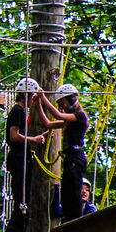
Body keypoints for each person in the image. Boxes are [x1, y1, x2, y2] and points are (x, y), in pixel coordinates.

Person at [4, 77, 59, 232]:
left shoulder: (20, 111)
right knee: (22, 200)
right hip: (19, 159)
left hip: (20, 158)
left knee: (23, 198)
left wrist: (36, 137)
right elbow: (14, 136)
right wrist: (33, 140)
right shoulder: (18, 111)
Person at [37, 83, 89, 222]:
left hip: (76, 158)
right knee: (65, 194)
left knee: (74, 192)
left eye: (62, 103)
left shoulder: (79, 116)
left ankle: (76, 220)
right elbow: (48, 124)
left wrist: (43, 98)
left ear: (71, 99)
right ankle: (68, 219)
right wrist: (38, 104)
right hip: (70, 158)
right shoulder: (69, 119)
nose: (62, 107)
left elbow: (57, 114)